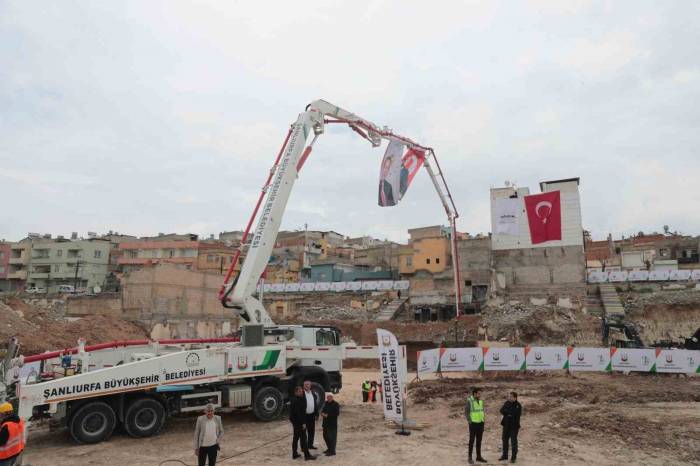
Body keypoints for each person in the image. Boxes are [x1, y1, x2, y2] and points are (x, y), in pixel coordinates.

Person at [290, 386, 315, 460]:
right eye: (300, 391)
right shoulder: (297, 401)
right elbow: (299, 414)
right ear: (296, 392)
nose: (302, 392)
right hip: (299, 423)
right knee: (303, 438)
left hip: (295, 422)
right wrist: (303, 423)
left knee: (296, 438)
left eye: (302, 391)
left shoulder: (294, 399)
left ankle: (294, 454)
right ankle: (307, 456)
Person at [465, 387, 487, 464]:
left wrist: (483, 420)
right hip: (473, 424)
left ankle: (479, 456)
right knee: (471, 441)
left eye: (480, 393)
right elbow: (466, 412)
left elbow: (481, 411)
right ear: (474, 394)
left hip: (480, 423)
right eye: (478, 393)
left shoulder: (481, 401)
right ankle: (470, 457)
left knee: (479, 441)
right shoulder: (469, 401)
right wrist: (470, 421)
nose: (480, 395)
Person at [499, 392, 522, 463]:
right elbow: (501, 410)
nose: (509, 397)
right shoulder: (507, 402)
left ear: (515, 397)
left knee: (513, 442)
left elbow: (515, 414)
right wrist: (509, 413)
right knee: (504, 441)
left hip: (514, 427)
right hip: (506, 425)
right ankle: (504, 456)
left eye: (511, 396)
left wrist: (507, 413)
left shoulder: (518, 405)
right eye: (509, 396)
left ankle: (513, 458)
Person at [303, 381, 320, 453]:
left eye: (308, 384)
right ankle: (303, 447)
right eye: (305, 384)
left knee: (311, 431)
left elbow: (315, 404)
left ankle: (310, 445)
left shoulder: (313, 393)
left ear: (310, 386)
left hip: (312, 415)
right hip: (304, 416)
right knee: (303, 432)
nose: (306, 386)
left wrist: (317, 414)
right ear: (303, 386)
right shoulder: (302, 394)